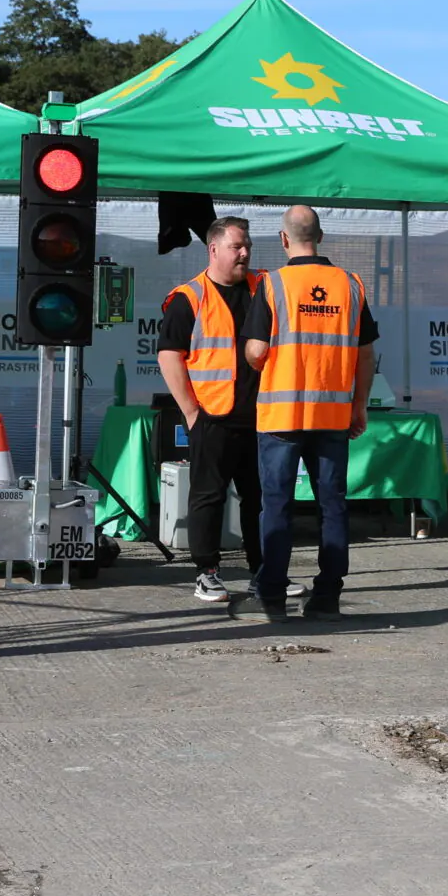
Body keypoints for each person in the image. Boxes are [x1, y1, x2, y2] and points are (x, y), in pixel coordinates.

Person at [242, 205, 377, 621]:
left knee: (277, 505)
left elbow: (257, 350)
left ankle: (271, 595)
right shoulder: (351, 285)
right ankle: (327, 596)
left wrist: (258, 359)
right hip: (333, 416)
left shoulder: (272, 284)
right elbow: (366, 354)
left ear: (284, 240)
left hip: (282, 419)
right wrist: (358, 406)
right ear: (321, 236)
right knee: (332, 505)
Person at [155, 215, 289, 605]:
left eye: (247, 245)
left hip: (263, 416)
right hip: (213, 417)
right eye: (237, 246)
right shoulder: (190, 298)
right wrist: (191, 413)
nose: (245, 252)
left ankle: (264, 573)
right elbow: (168, 357)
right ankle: (207, 573)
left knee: (261, 498)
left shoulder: (263, 287)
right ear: (214, 250)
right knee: (208, 497)